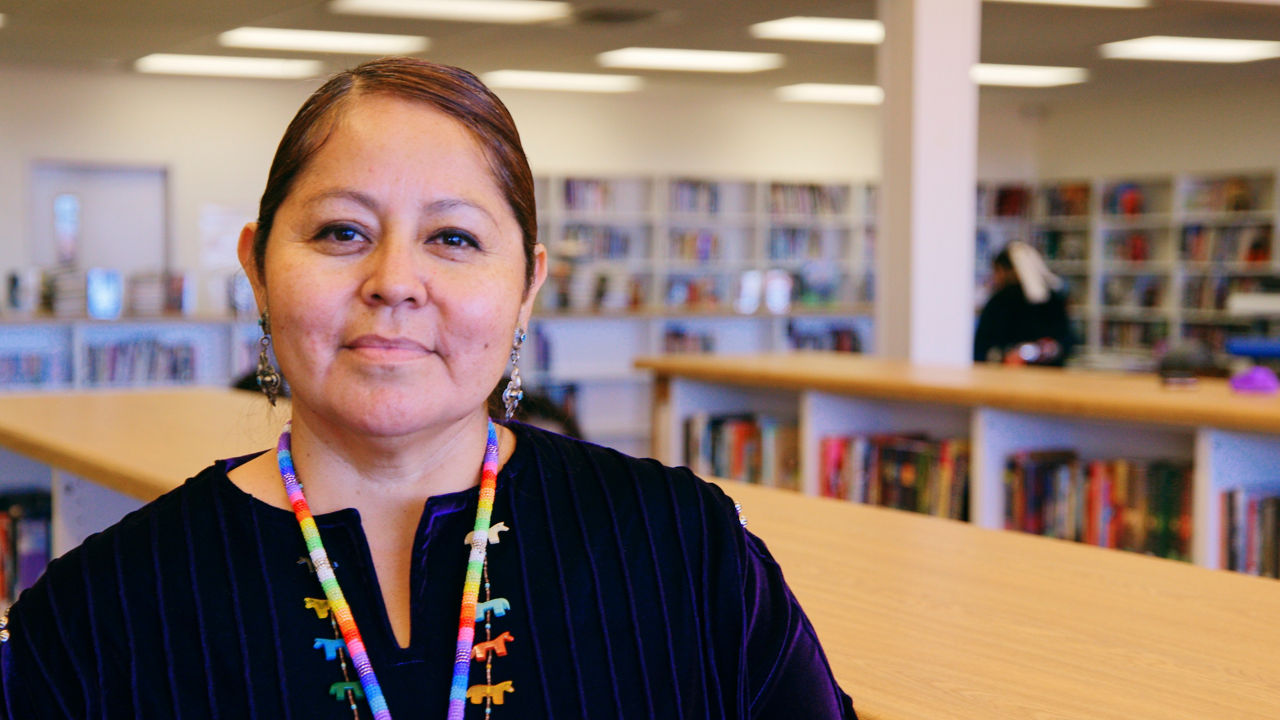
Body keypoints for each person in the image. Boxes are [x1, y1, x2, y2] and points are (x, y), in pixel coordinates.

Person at [0, 58, 856, 718]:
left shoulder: (687, 550)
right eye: (342, 231)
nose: (395, 280)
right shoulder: (98, 613)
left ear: (527, 287)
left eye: (453, 238)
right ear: (258, 267)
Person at [974, 241, 1075, 366]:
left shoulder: (1000, 301)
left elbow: (982, 346)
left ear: (1006, 271)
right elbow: (1068, 341)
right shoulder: (1053, 299)